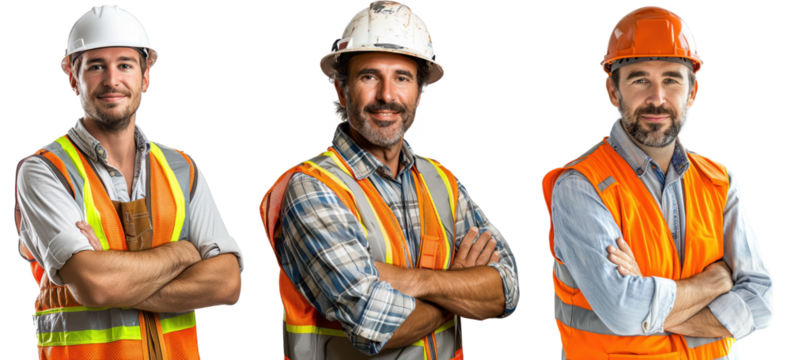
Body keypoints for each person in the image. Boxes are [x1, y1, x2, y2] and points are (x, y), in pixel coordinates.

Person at [258, 1, 520, 359]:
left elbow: (507, 288)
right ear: (341, 88)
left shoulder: (442, 181)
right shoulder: (314, 188)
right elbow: (373, 325)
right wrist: (459, 286)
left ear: (419, 91)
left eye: (402, 77)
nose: (387, 95)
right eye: (369, 76)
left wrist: (412, 280)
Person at [540, 5, 775, 360]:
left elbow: (761, 301)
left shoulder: (719, 182)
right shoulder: (580, 186)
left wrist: (652, 308)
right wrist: (714, 282)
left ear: (692, 91)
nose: (657, 99)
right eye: (639, 80)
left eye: (671, 80)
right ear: (613, 91)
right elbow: (624, 311)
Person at [12, 4, 245, 359]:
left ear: (146, 75)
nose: (112, 80)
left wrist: (111, 274)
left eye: (125, 65)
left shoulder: (181, 167)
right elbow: (96, 286)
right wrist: (183, 253)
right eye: (96, 66)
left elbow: (227, 283)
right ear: (72, 76)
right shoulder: (45, 171)